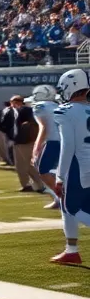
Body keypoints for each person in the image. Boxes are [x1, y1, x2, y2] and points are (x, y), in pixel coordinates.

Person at [51, 68, 90, 265]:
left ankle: (72, 251)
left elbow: (68, 146)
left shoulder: (65, 111)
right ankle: (71, 250)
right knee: (73, 209)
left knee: (71, 207)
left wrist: (59, 176)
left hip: (79, 165)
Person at [30, 84, 63, 209]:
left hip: (53, 141)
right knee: (56, 172)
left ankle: (62, 197)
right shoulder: (57, 105)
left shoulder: (40, 106)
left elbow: (43, 127)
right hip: (64, 140)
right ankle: (59, 197)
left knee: (43, 170)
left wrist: (37, 145)